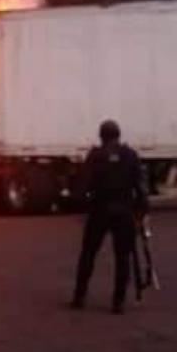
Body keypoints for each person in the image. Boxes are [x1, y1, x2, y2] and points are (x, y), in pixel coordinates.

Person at [71, 119, 149, 314]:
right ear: (118, 135)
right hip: (123, 210)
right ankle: (118, 301)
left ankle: (80, 295)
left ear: (101, 136)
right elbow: (140, 187)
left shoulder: (95, 156)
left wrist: (81, 202)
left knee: (89, 253)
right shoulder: (130, 155)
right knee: (123, 256)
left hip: (100, 209)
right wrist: (141, 211)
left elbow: (83, 184)